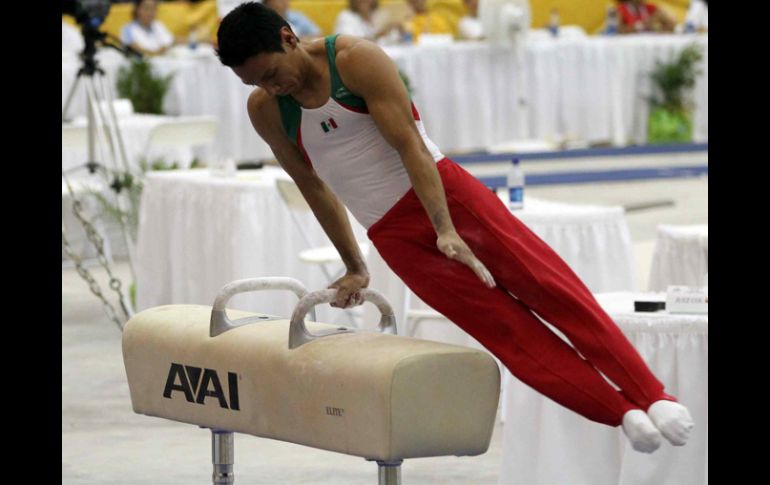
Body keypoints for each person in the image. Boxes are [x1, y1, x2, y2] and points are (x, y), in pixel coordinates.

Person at [215, 2, 694, 453]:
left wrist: (445, 228)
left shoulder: (355, 60)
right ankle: (619, 411)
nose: (271, 88)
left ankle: (650, 393)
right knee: (506, 332)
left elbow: (411, 147)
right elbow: (314, 187)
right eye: (256, 82)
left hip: (451, 200)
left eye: (272, 74)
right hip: (393, 235)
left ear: (288, 37)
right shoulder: (266, 110)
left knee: (553, 292)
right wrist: (355, 265)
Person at [334, 0, 400, 41]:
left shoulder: (379, 14)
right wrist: (377, 36)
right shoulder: (346, 16)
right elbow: (347, 43)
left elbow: (393, 38)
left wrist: (398, 29)